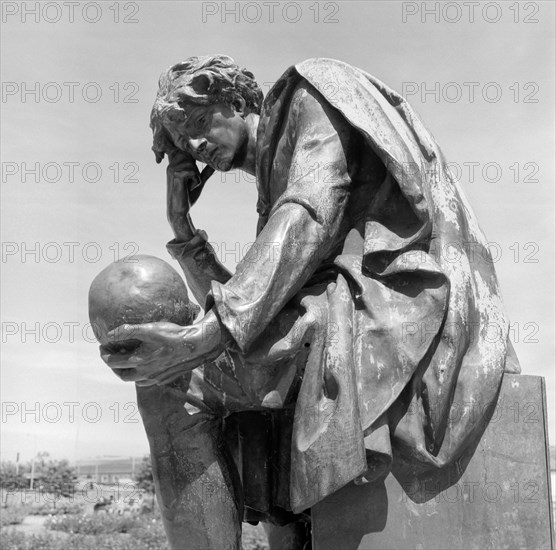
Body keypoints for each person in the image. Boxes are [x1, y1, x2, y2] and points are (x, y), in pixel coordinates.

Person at [101, 55, 521, 549]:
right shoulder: (272, 187)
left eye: (197, 123)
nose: (195, 146)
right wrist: (183, 230)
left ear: (236, 101)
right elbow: (256, 307)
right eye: (182, 144)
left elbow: (314, 207)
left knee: (174, 382)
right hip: (342, 312)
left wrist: (208, 335)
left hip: (401, 305)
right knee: (200, 370)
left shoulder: (308, 92)